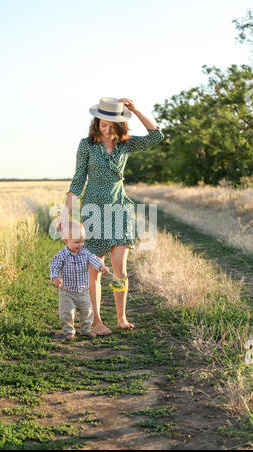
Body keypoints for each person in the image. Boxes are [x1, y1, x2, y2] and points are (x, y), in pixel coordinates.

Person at [58, 97, 164, 336]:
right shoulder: (86, 145)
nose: (106, 129)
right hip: (93, 211)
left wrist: (135, 109)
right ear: (96, 123)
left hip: (120, 209)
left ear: (120, 124)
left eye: (111, 125)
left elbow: (156, 136)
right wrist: (65, 214)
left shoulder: (125, 145)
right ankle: (96, 321)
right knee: (94, 270)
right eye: (102, 125)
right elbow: (78, 180)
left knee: (120, 269)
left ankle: (121, 318)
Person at [50, 220, 110, 339]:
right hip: (67, 291)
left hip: (83, 291)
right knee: (67, 313)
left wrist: (101, 266)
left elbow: (93, 259)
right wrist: (55, 278)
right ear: (66, 240)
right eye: (77, 242)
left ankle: (86, 329)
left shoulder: (85, 252)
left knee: (87, 311)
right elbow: (54, 266)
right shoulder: (62, 255)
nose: (80, 245)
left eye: (82, 241)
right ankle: (69, 331)